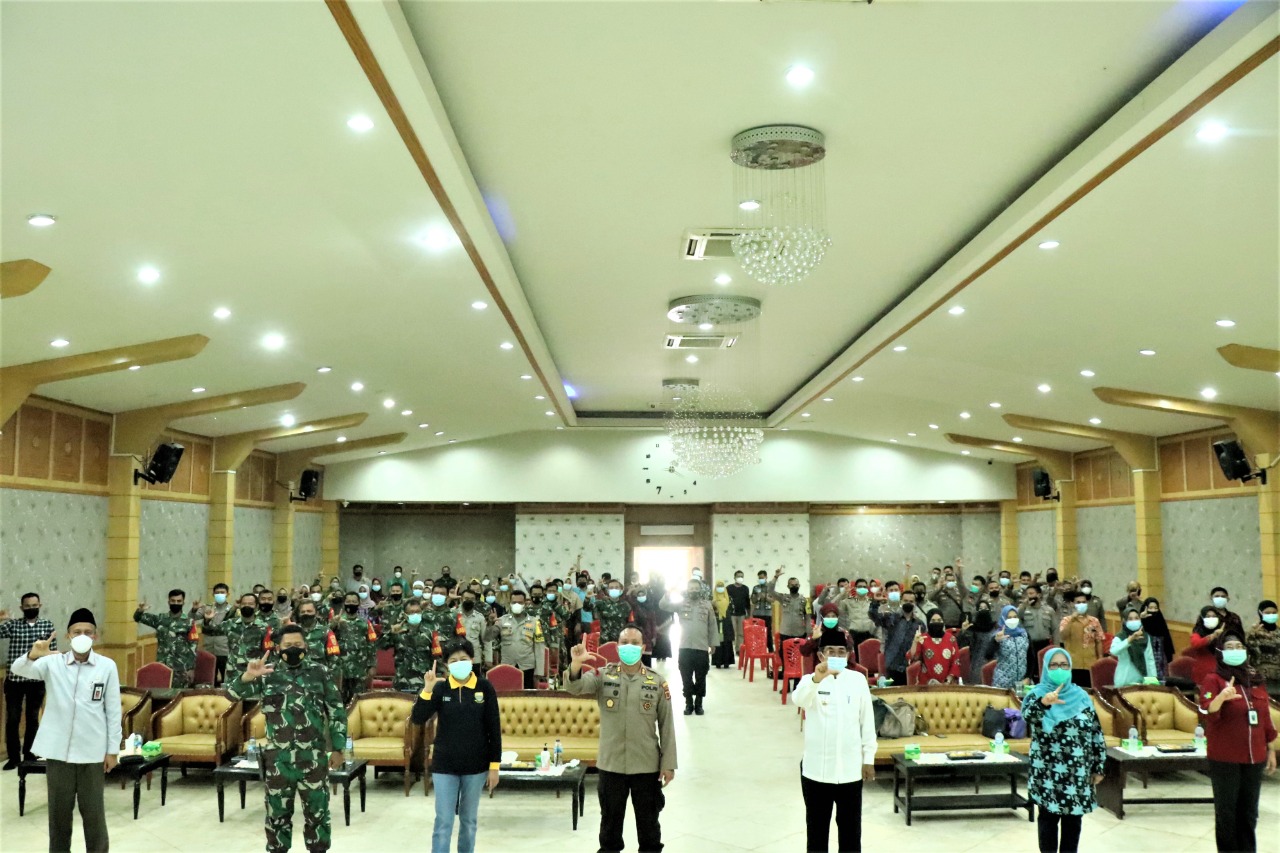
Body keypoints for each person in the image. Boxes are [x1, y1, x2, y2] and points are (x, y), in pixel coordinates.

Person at [11, 608, 120, 853]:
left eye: (88, 632)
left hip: (92, 753)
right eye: (77, 631)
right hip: (58, 753)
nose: (82, 636)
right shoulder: (52, 663)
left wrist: (112, 750)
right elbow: (18, 669)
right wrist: (33, 654)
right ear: (68, 636)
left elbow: (113, 712)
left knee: (94, 815)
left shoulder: (107, 666)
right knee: (58, 816)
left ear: (95, 636)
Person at [229, 626, 346, 853]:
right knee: (276, 816)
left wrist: (339, 748)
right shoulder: (267, 674)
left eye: (298, 645)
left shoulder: (320, 672)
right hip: (278, 760)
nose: (293, 649)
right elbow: (231, 694)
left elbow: (336, 711)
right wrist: (247, 676)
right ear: (277, 648)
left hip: (313, 758)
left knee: (318, 815)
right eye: (288, 646)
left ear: (306, 646)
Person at [566, 629, 676, 853]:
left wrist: (668, 764)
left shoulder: (656, 681)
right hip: (612, 764)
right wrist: (576, 664)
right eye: (625, 642)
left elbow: (667, 725)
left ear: (643, 648)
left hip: (646, 765)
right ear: (617, 647)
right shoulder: (603, 676)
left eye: (635, 642)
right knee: (609, 829)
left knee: (649, 829)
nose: (629, 646)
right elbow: (575, 687)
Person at [411, 640, 501, 853]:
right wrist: (427, 690)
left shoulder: (484, 688)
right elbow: (418, 717)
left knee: (469, 822)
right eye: (453, 660)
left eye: (463, 659)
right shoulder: (441, 688)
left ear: (472, 660)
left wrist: (494, 767)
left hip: (476, 767)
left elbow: (494, 729)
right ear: (446, 665)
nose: (459, 663)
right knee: (444, 822)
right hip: (445, 766)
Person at [791, 629, 877, 853]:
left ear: (848, 655)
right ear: (821, 655)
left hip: (850, 772)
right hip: (816, 772)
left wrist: (868, 758)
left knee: (851, 834)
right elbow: (798, 700)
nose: (836, 656)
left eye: (841, 652)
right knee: (817, 833)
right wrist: (816, 679)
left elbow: (867, 722)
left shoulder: (857, 681)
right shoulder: (810, 681)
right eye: (831, 651)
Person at [1198, 633, 1277, 852]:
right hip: (1225, 757)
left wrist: (1270, 749)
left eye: (1239, 646)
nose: (1235, 650)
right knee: (1227, 812)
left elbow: (1265, 716)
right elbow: (1205, 710)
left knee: (1249, 812)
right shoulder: (1213, 679)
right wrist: (1221, 697)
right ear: (1221, 652)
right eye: (1230, 647)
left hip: (1255, 756)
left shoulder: (1256, 679)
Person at [1023, 648, 1107, 853]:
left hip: (1077, 771)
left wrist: (1099, 766)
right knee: (1048, 820)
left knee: (1073, 821)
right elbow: (1028, 717)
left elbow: (1095, 732)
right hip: (1047, 771)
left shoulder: (1082, 697)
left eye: (1064, 665)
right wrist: (1044, 703)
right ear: (1045, 668)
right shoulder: (1037, 694)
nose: (1059, 669)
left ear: (1070, 668)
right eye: (1053, 665)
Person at [0, 592, 57, 769]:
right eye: (27, 606)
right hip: (14, 680)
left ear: (40, 606)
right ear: (22, 608)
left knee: (33, 719)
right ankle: (14, 758)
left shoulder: (47, 625)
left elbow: (53, 654)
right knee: (12, 719)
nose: (31, 608)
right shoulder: (13, 625)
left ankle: (30, 753)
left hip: (37, 681)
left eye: (34, 605)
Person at [660, 579, 720, 715]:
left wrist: (713, 643)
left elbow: (712, 625)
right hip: (684, 647)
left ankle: (699, 704)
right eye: (691, 588)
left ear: (700, 589)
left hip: (702, 647)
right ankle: (688, 703)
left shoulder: (707, 605)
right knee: (686, 677)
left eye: (696, 588)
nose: (694, 590)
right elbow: (663, 605)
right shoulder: (681, 604)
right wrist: (669, 592)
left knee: (701, 677)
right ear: (688, 590)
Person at [134, 589, 200, 687]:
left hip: (181, 668)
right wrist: (140, 610)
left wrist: (191, 668)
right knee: (161, 692)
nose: (176, 603)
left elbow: (193, 646)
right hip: (163, 665)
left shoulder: (189, 622)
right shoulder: (160, 619)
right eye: (173, 601)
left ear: (183, 603)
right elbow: (137, 618)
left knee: (179, 694)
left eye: (179, 601)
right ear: (168, 602)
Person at [203, 593, 271, 682]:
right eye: (244, 604)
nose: (247, 606)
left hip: (254, 672)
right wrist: (207, 620)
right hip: (232, 672)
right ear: (240, 606)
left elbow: (268, 651)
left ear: (256, 606)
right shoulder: (230, 624)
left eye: (250, 604)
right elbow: (210, 631)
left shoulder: (264, 627)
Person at [869, 583, 923, 687]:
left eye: (911, 601)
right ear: (901, 602)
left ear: (915, 603)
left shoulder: (920, 624)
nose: (908, 603)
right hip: (892, 666)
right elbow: (874, 616)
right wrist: (875, 602)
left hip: (911, 666)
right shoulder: (891, 618)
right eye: (905, 601)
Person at [331, 591, 375, 703]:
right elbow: (327, 638)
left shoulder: (365, 623)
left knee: (359, 700)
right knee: (341, 700)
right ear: (344, 604)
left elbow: (371, 645)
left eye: (354, 602)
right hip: (341, 668)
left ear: (359, 604)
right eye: (348, 601)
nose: (351, 604)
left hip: (360, 668)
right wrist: (333, 625)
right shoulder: (337, 621)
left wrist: (372, 665)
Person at [493, 591, 540, 688]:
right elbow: (488, 638)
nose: (517, 605)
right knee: (508, 693)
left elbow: (540, 646)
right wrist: (490, 624)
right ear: (510, 603)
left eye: (520, 602)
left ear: (525, 603)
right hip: (507, 664)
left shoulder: (535, 622)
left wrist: (539, 670)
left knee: (527, 694)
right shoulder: (502, 620)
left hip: (527, 666)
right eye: (514, 602)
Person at [1057, 591, 1104, 687]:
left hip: (1091, 664)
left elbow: (1099, 640)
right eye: (1078, 602)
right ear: (1072, 604)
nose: (1081, 604)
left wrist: (1100, 658)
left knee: (1090, 691)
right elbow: (1062, 636)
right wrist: (1072, 620)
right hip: (1073, 664)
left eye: (1083, 602)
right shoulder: (1066, 620)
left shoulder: (1094, 621)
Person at [1110, 605, 1156, 687]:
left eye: (1136, 618)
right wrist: (1130, 639)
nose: (1134, 621)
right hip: (1125, 680)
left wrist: (1153, 680)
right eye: (1130, 619)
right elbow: (1113, 651)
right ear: (1124, 621)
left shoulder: (1145, 636)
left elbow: (1150, 659)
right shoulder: (1121, 636)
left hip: (1143, 680)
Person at [1019, 584, 1057, 680]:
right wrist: (1023, 606)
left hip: (1045, 644)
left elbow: (1055, 630)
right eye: (1027, 594)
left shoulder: (1049, 610)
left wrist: (1056, 647)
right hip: (1029, 645)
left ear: (1039, 595)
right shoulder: (1023, 609)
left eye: (1031, 593)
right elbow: (1017, 620)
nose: (1029, 596)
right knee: (1031, 672)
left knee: (1045, 670)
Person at [911, 611, 960, 684]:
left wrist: (948, 680)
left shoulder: (951, 639)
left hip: (947, 684)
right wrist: (915, 642)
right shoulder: (922, 638)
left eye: (939, 620)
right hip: (926, 684)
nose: (936, 623)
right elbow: (913, 657)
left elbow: (956, 661)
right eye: (933, 621)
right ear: (928, 622)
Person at [1245, 599, 1279, 697]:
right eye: (1267, 613)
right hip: (1260, 677)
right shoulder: (1254, 632)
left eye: (1274, 612)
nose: (1271, 615)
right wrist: (1251, 635)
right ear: (1260, 613)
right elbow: (1246, 650)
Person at [773, 570, 813, 652]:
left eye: (796, 585)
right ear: (788, 586)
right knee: (784, 655)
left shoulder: (805, 601)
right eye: (792, 585)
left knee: (798, 656)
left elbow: (808, 618)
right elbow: (770, 591)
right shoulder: (783, 598)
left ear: (799, 586)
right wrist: (775, 577)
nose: (794, 586)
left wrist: (808, 633)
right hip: (785, 633)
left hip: (799, 633)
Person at [201, 582, 232, 685]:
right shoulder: (207, 608)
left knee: (225, 676)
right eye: (217, 592)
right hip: (209, 646)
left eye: (222, 592)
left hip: (224, 647)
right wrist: (195, 609)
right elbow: (193, 617)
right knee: (209, 676)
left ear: (227, 594)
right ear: (213, 594)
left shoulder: (232, 610)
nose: (220, 594)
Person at [1138, 596, 1175, 681]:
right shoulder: (1140, 623)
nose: (1153, 610)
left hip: (1160, 660)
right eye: (1150, 608)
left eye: (1156, 608)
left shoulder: (1161, 623)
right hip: (1145, 661)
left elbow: (1167, 645)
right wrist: (1141, 619)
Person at [1188, 606, 1226, 686]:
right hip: (1202, 674)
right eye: (1208, 616)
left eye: (1214, 616)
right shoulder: (1197, 633)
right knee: (1207, 693)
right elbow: (1196, 644)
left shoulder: (1223, 632)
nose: (1211, 619)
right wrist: (1212, 636)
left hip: (1220, 672)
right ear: (1202, 618)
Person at [992, 604, 1029, 687]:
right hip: (1002, 682)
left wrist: (1028, 677)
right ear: (1003, 618)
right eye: (1009, 617)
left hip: (1021, 682)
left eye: (1015, 617)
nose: (1012, 620)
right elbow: (988, 655)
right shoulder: (998, 635)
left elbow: (1030, 656)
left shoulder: (1023, 634)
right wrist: (996, 641)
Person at [839, 579, 877, 651]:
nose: (862, 588)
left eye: (864, 587)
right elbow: (836, 607)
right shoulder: (848, 601)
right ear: (855, 588)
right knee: (855, 656)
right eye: (859, 587)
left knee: (868, 656)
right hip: (854, 635)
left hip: (869, 634)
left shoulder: (872, 602)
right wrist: (843, 594)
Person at [750, 572, 775, 652]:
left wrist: (766, 597)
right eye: (759, 578)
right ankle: (758, 649)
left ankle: (770, 649)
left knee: (768, 632)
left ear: (766, 577)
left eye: (762, 578)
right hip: (757, 613)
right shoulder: (755, 588)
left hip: (767, 614)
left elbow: (773, 600)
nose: (761, 579)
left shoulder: (770, 588)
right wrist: (758, 596)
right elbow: (753, 601)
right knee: (757, 632)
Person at [726, 572, 751, 647]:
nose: (740, 578)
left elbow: (747, 602)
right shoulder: (729, 588)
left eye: (741, 576)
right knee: (732, 632)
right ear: (734, 577)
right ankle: (731, 649)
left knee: (741, 633)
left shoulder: (745, 588)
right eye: (738, 576)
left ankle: (739, 649)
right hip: (731, 614)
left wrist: (749, 614)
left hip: (742, 614)